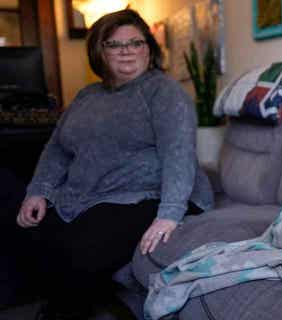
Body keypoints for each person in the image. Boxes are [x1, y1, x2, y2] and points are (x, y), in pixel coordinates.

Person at [10, 9, 214, 319]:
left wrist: (169, 216)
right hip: (96, 194)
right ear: (99, 51)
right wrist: (39, 190)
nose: (127, 51)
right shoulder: (87, 96)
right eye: (115, 45)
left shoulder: (163, 92)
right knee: (30, 232)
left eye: (136, 42)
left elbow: (179, 155)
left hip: (153, 195)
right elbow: (57, 149)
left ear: (150, 48)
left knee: (75, 253)